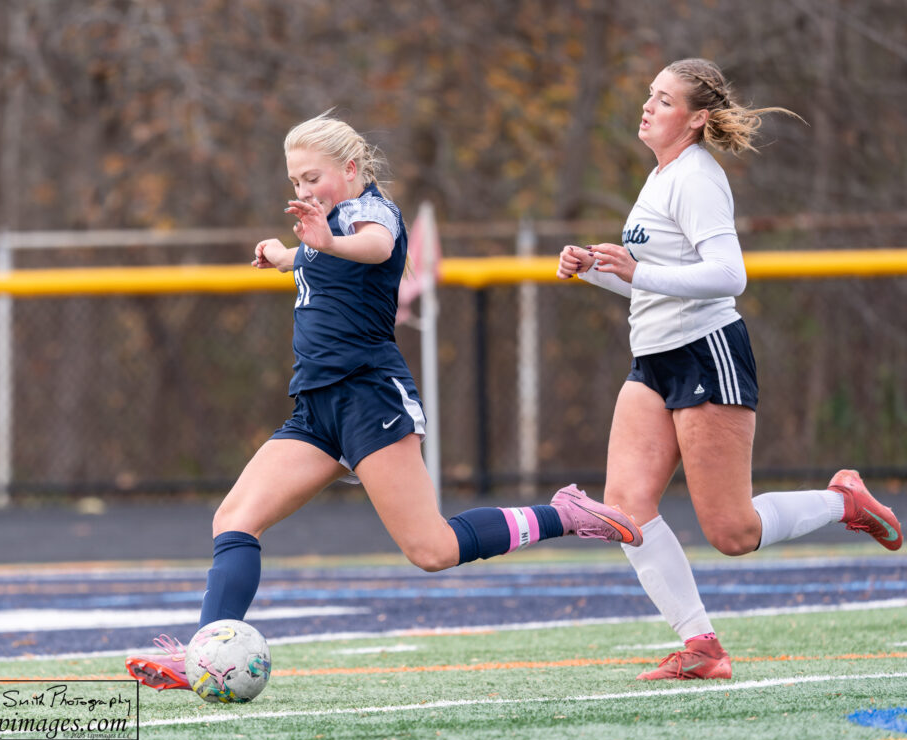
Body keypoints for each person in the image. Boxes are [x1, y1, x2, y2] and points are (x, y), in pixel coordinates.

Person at [126, 111, 642, 691]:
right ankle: (203, 652)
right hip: (315, 408)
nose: (303, 191)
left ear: (351, 169)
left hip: (370, 398)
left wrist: (323, 240)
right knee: (235, 519)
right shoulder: (327, 227)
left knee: (433, 549)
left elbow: (374, 246)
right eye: (295, 182)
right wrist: (283, 256)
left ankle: (566, 514)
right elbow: (324, 261)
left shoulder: (368, 212)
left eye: (313, 177)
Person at [557, 58, 903, 681]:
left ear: (695, 121)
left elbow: (727, 277)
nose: (647, 107)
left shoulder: (696, 177)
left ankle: (841, 500)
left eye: (663, 101)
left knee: (733, 531)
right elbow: (655, 289)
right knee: (627, 506)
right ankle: (702, 647)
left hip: (705, 352)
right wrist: (597, 271)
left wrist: (635, 271)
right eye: (650, 96)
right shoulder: (658, 177)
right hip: (654, 358)